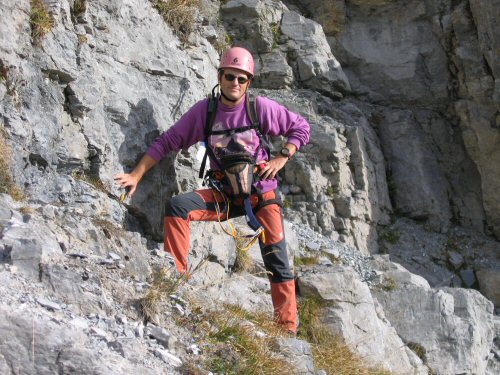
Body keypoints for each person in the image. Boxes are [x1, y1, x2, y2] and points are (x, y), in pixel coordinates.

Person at [114, 47, 310, 334]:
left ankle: (287, 330)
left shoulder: (260, 108)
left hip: (262, 195)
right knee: (178, 207)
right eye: (230, 76)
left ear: (249, 83)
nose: (235, 83)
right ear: (220, 76)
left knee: (277, 260)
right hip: (226, 196)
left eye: (242, 79)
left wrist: (282, 157)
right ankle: (176, 284)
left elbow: (301, 128)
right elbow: (167, 142)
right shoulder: (205, 113)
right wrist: (135, 174)